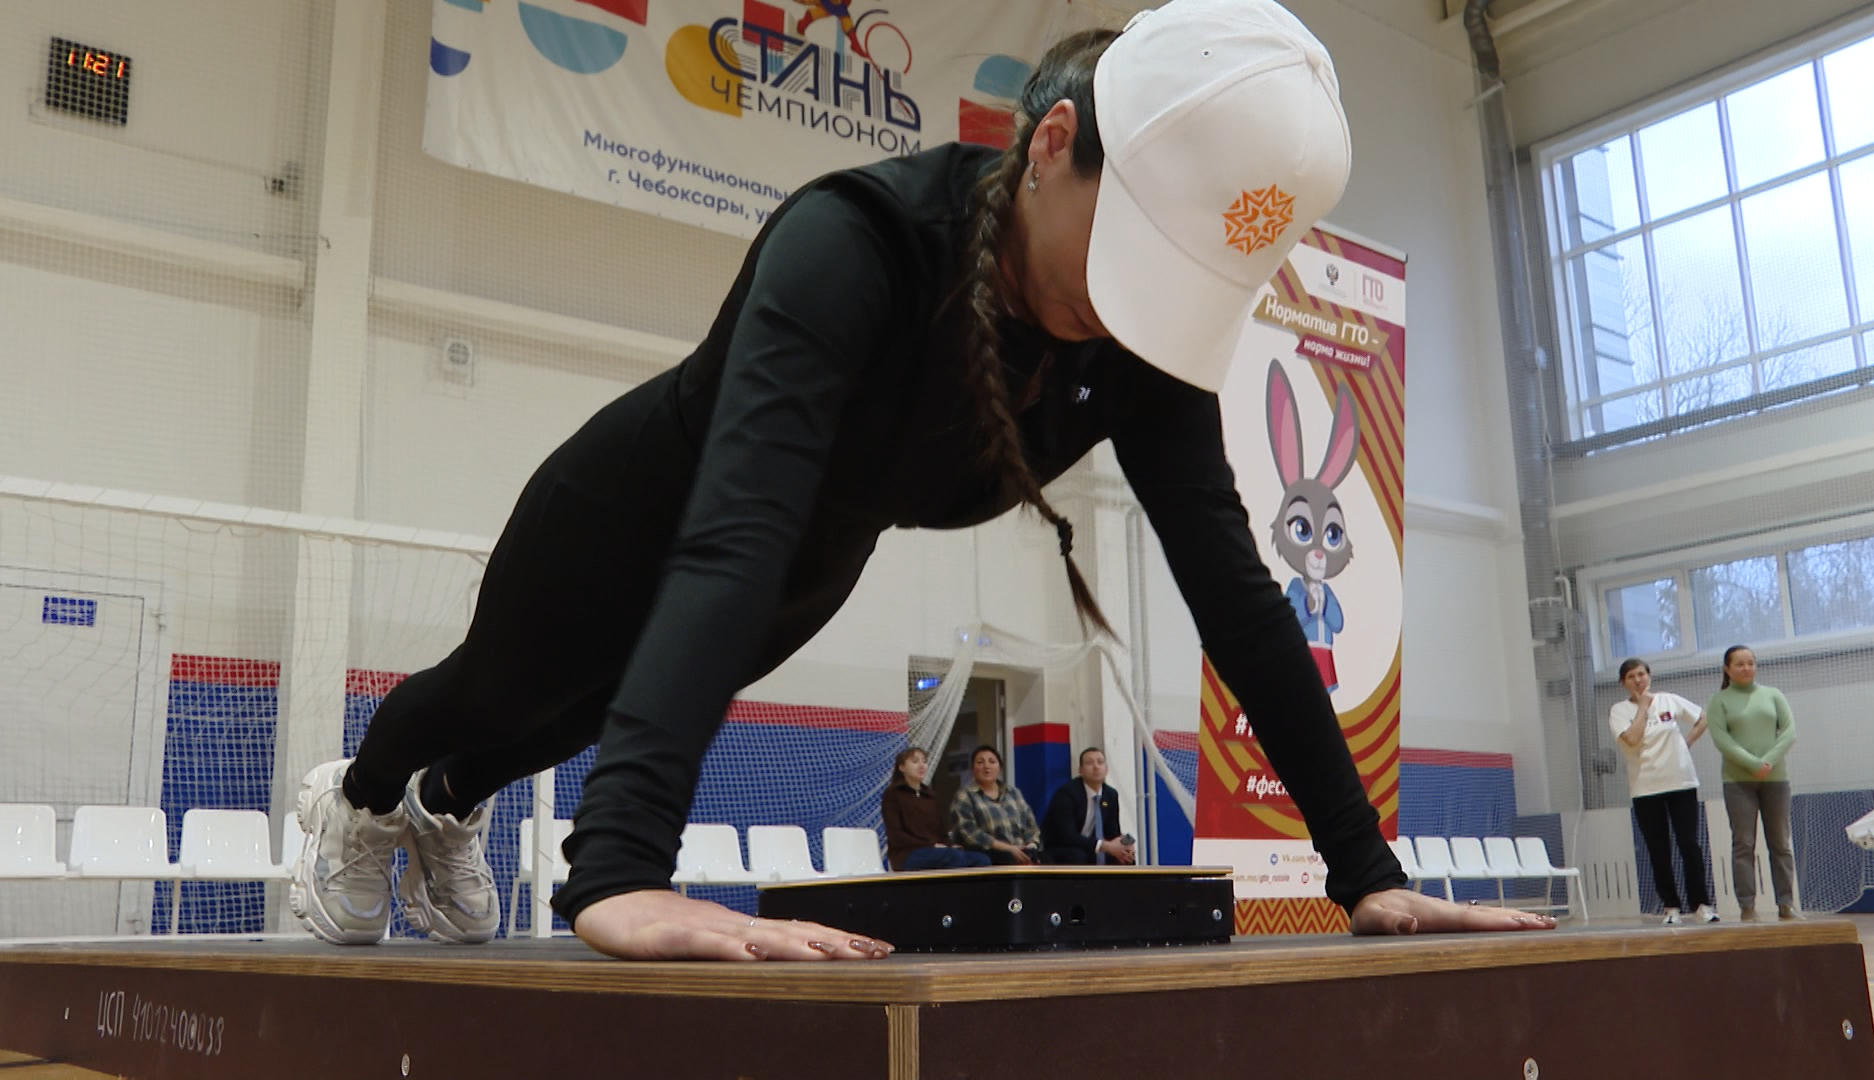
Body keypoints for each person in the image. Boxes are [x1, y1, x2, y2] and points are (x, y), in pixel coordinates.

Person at [289, 0, 1554, 963]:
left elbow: (1239, 599)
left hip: (803, 568)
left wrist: (1366, 871)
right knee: (495, 689)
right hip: (629, 512)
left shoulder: (1136, 346)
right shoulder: (856, 244)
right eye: (1135, 248)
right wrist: (619, 872)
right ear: (1051, 147)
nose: (1132, 305)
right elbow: (734, 533)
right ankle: (360, 798)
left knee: (577, 719)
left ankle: (448, 805)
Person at [1608, 658, 1717, 925]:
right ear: (1623, 682)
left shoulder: (1669, 700)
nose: (1638, 680)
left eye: (1642, 674)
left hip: (1681, 783)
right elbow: (1632, 738)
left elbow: (1703, 718)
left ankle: (1702, 905)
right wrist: (1643, 707)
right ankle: (1671, 907)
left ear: (1649, 676)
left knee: (1689, 844)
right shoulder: (1619, 711)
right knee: (1659, 849)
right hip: (1646, 788)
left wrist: (1685, 743)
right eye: (1631, 676)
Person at [1706, 645, 1798, 921]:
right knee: (1743, 844)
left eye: (1750, 663)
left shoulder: (1773, 695)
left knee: (1780, 844)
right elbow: (1722, 740)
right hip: (1738, 782)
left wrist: (1768, 761)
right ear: (1727, 669)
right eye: (1739, 664)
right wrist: (1753, 764)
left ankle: (1786, 904)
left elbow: (1789, 732)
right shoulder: (1719, 701)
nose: (1746, 668)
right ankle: (1747, 907)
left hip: (1776, 780)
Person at [881, 746, 990, 871]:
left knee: (982, 859)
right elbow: (896, 836)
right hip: (907, 853)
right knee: (952, 856)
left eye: (924, 762)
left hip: (936, 850)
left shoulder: (930, 795)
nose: (921, 766)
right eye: (915, 761)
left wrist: (949, 845)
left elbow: (942, 832)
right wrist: (931, 845)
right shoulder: (893, 794)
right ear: (902, 767)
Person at [949, 746, 1046, 865]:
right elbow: (969, 832)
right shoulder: (964, 796)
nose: (986, 766)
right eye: (980, 762)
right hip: (989, 854)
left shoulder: (1013, 793)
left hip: (1021, 851)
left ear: (1000, 767)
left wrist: (1031, 846)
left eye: (992, 761)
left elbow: (1031, 826)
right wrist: (1009, 849)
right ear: (972, 769)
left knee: (1048, 861)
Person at [1042, 747, 1135, 865]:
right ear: (1080, 770)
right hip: (1062, 847)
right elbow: (1067, 836)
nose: (1096, 767)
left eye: (1100, 762)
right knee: (1077, 855)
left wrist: (1125, 845)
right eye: (1090, 763)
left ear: (1106, 769)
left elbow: (1112, 832)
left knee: (1125, 858)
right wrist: (1104, 846)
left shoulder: (1110, 794)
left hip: (1090, 846)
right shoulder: (1066, 794)